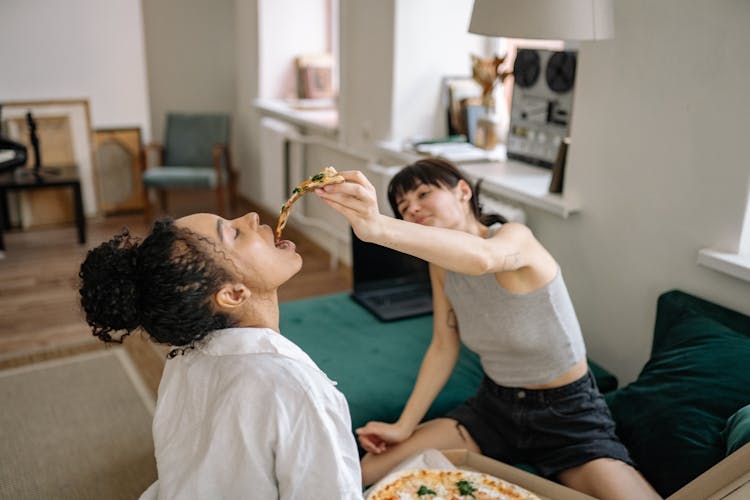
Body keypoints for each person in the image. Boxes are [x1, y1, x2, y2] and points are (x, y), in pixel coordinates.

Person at [316, 158, 661, 500]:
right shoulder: (441, 267)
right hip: (494, 407)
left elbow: (483, 259)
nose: (414, 209)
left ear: (463, 191)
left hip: (567, 415)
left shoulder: (515, 239)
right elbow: (442, 346)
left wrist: (378, 227)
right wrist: (403, 426)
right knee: (361, 473)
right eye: (404, 207)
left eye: (423, 194)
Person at [78, 212, 362, 499]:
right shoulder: (297, 389)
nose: (251, 216)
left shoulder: (182, 359)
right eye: (234, 233)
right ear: (233, 295)